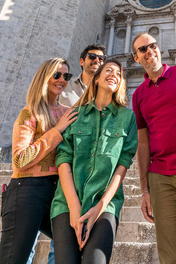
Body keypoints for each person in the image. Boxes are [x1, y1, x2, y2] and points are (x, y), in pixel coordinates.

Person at [51, 59, 138, 264]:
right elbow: (63, 159)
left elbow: (122, 166)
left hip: (105, 205)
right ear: (97, 78)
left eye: (118, 73)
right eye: (108, 70)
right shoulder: (75, 113)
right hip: (67, 203)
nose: (114, 75)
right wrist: (74, 208)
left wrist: (99, 207)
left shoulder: (128, 118)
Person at [0, 58, 79, 264]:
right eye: (57, 75)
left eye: (67, 76)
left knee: (73, 247)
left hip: (58, 193)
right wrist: (57, 130)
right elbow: (20, 160)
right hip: (27, 190)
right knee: (14, 259)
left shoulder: (66, 113)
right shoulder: (29, 112)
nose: (62, 80)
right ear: (44, 77)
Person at [31, 45, 106, 264]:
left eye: (101, 58)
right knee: (61, 237)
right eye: (92, 57)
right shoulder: (65, 86)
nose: (97, 61)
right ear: (82, 61)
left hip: (90, 169)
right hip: (59, 162)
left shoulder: (105, 89)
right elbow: (47, 109)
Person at [130, 32, 176, 264]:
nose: (150, 51)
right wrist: (144, 189)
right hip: (161, 178)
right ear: (136, 58)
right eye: (143, 49)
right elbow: (143, 143)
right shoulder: (139, 95)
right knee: (170, 256)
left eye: (153, 45)